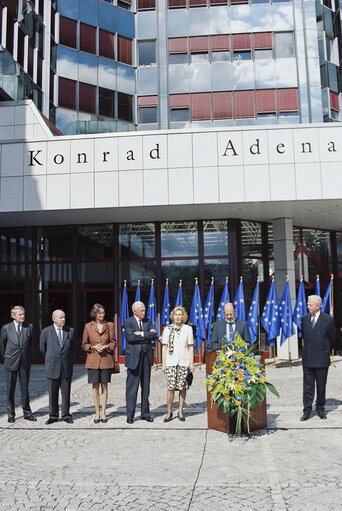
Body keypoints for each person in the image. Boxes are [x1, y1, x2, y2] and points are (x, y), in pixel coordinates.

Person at [300, 295, 337, 421]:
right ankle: (307, 410)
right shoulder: (304, 319)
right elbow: (304, 336)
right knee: (307, 387)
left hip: (321, 358)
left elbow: (333, 338)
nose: (308, 307)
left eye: (310, 305)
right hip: (308, 358)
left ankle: (320, 409)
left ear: (318, 306)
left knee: (321, 386)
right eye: (308, 304)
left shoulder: (328, 320)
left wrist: (324, 349)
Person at [0, 306, 36, 423]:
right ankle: (11, 414)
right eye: (20, 315)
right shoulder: (6, 328)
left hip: (24, 362)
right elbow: (2, 345)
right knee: (10, 389)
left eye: (23, 314)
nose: (22, 316)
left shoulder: (28, 327)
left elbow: (31, 344)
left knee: (25, 389)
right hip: (11, 361)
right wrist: (7, 356)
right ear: (13, 316)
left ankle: (27, 412)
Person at [124, 301, 158, 424]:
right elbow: (131, 338)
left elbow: (155, 336)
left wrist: (142, 333)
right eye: (142, 311)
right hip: (134, 358)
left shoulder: (148, 321)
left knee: (146, 387)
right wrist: (147, 336)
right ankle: (130, 415)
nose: (144, 312)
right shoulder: (128, 322)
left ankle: (145, 413)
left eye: (144, 310)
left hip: (146, 358)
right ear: (135, 311)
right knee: (132, 388)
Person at [82, 304, 116, 423]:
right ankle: (97, 412)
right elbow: (84, 344)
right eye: (99, 313)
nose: (102, 315)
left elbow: (113, 343)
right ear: (94, 314)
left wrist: (106, 346)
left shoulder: (110, 325)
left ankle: (104, 412)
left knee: (104, 386)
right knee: (95, 386)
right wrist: (93, 347)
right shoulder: (88, 326)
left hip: (106, 359)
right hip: (93, 360)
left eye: (103, 313)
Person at [40, 310, 74, 425]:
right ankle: (53, 415)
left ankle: (66, 414)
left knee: (66, 392)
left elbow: (73, 348)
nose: (63, 319)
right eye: (60, 317)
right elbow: (42, 348)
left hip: (66, 366)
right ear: (54, 319)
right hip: (52, 366)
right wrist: (51, 358)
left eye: (64, 317)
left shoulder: (70, 331)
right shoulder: (46, 332)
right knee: (53, 392)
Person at [161, 306, 195, 422]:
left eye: (180, 315)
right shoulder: (167, 329)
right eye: (176, 314)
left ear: (183, 317)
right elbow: (164, 347)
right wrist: (163, 364)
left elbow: (190, 347)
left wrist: (192, 363)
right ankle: (169, 411)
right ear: (172, 316)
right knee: (171, 388)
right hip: (171, 361)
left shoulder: (188, 329)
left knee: (182, 387)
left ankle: (180, 411)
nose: (178, 317)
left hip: (184, 361)